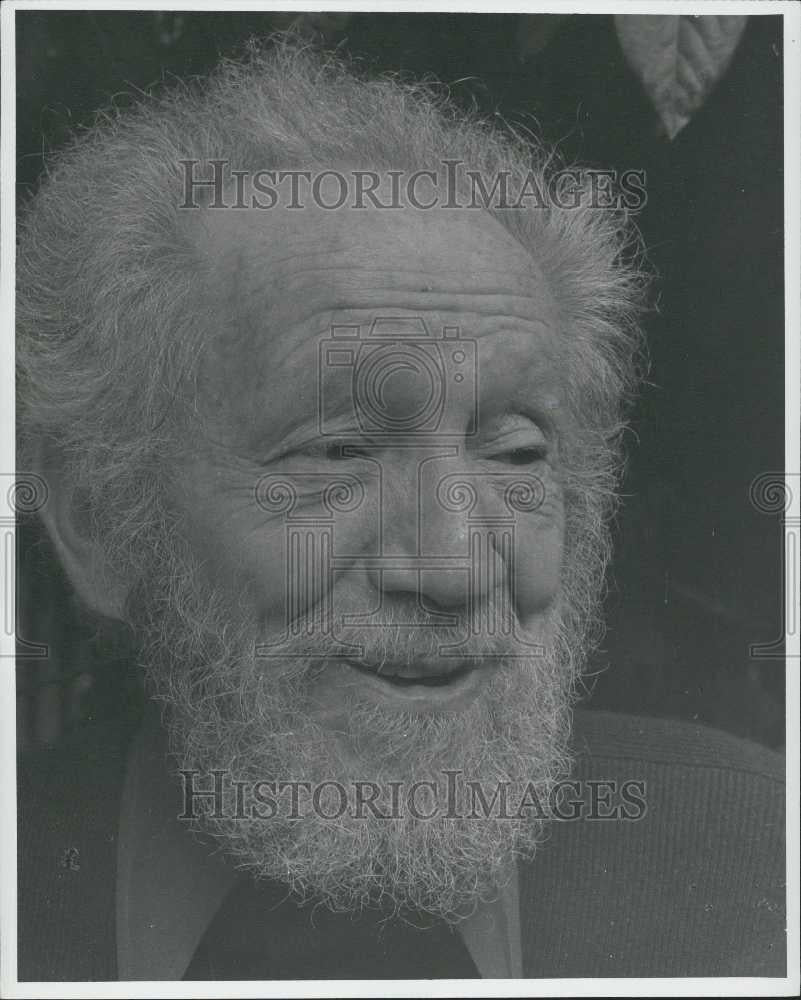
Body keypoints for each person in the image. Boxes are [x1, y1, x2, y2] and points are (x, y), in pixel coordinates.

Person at [16, 40, 784, 981]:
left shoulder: (764, 866)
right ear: (97, 515)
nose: (455, 568)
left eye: (514, 453)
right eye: (339, 452)